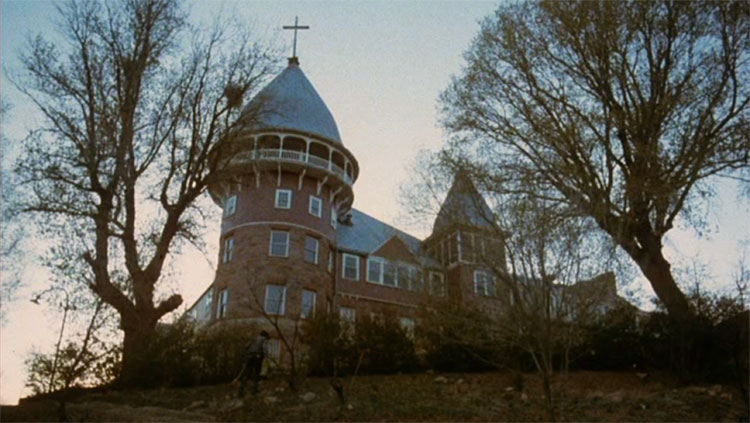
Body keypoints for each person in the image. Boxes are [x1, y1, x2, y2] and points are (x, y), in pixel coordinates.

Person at [235, 330, 270, 397]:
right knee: (256, 374)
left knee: (246, 374)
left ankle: (240, 391)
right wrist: (266, 356)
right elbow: (265, 348)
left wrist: (248, 354)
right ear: (265, 335)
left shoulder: (254, 338)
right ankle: (254, 390)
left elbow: (246, 346)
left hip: (249, 357)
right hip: (257, 357)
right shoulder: (264, 339)